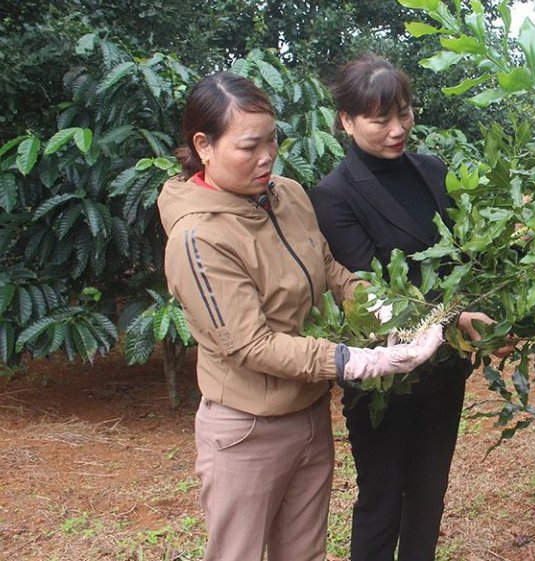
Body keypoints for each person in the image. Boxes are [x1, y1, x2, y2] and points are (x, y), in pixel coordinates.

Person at [156, 71, 444, 561]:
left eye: (272, 140)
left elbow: (329, 270)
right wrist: (349, 359)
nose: (267, 156)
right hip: (247, 429)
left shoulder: (286, 195)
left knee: (303, 552)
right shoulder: (199, 239)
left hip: (308, 416)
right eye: (250, 146)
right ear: (204, 146)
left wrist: (390, 310)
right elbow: (250, 344)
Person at [310, 54, 504, 561]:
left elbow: (463, 257)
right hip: (383, 371)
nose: (398, 129)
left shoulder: (432, 171)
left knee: (428, 494)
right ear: (347, 121)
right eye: (381, 119)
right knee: (382, 499)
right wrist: (452, 318)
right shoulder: (333, 195)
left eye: (405, 112)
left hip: (443, 365)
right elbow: (371, 293)